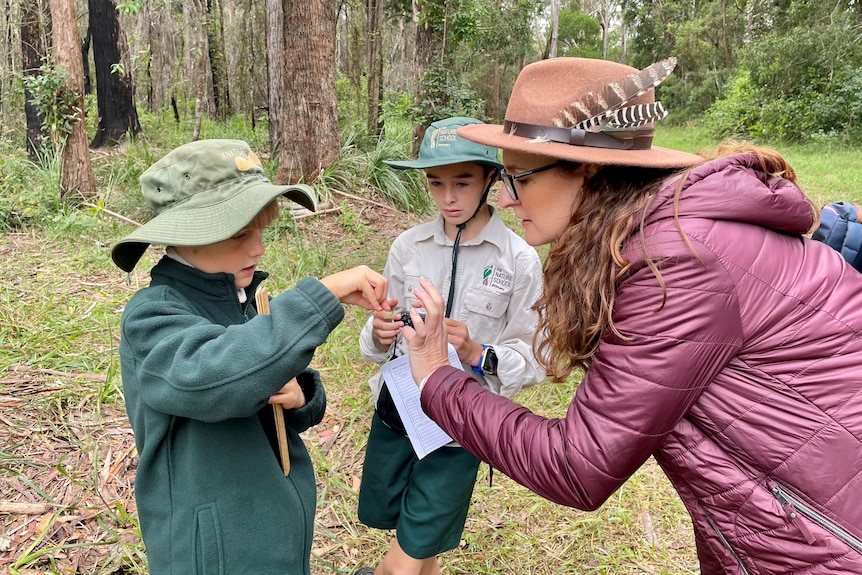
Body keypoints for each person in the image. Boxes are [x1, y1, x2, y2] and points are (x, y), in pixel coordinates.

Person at [400, 58, 862, 574]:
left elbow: (579, 466)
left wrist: (438, 378)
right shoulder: (659, 234)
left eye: (518, 177)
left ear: (590, 169)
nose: (505, 199)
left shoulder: (680, 259)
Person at [111, 139, 390, 575]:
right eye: (241, 233)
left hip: (271, 524)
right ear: (187, 233)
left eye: (261, 231)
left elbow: (268, 365)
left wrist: (302, 395)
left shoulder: (243, 300)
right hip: (213, 547)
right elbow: (217, 374)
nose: (257, 248)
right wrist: (321, 296)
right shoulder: (153, 315)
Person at [355, 117, 545, 575]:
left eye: (462, 182)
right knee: (403, 513)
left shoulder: (518, 260)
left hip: (462, 418)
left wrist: (477, 352)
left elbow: (536, 356)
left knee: (420, 527)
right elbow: (379, 332)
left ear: (490, 180)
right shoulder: (408, 246)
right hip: (399, 406)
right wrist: (379, 334)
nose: (448, 198)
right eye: (435, 183)